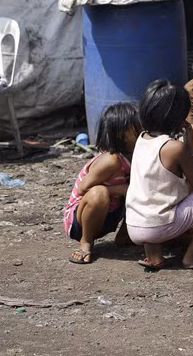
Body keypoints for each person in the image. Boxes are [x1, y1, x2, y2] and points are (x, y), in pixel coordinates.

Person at [125, 79, 193, 269]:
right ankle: (191, 256)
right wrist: (189, 142)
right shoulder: (174, 147)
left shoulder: (142, 139)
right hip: (159, 226)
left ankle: (154, 257)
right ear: (179, 116)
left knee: (155, 194)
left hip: (135, 226)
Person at [64, 103, 141, 264]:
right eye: (137, 125)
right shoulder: (111, 160)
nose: (142, 128)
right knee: (100, 193)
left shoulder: (136, 156)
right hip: (82, 219)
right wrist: (120, 189)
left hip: (110, 215)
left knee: (141, 187)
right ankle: (85, 242)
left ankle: (125, 235)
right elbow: (83, 189)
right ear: (122, 134)